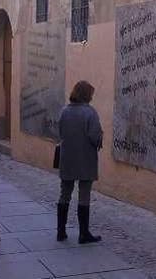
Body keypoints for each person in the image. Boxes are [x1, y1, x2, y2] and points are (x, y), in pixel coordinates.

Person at [56, 80, 103, 244]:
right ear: (86, 95)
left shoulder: (64, 111)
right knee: (84, 195)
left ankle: (60, 231)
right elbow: (95, 136)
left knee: (65, 194)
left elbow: (60, 132)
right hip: (85, 158)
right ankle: (84, 233)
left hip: (67, 157)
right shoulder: (90, 113)